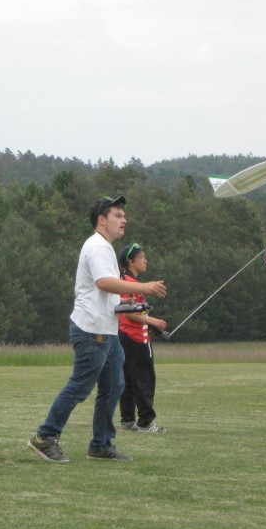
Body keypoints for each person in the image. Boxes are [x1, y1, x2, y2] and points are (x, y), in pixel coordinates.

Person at [28, 196, 167, 462]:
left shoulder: (105, 248)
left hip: (108, 331)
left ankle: (100, 445)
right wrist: (143, 287)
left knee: (114, 386)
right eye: (117, 215)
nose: (124, 220)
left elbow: (106, 294)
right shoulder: (98, 246)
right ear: (101, 220)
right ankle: (45, 436)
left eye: (124, 215)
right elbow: (104, 282)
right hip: (91, 330)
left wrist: (129, 306)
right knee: (80, 386)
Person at [117, 243, 167, 433]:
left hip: (130, 338)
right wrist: (152, 320)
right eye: (142, 257)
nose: (146, 260)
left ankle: (128, 420)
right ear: (131, 262)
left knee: (128, 380)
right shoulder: (128, 283)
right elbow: (128, 313)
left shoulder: (129, 283)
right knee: (144, 380)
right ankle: (145, 422)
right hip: (135, 339)